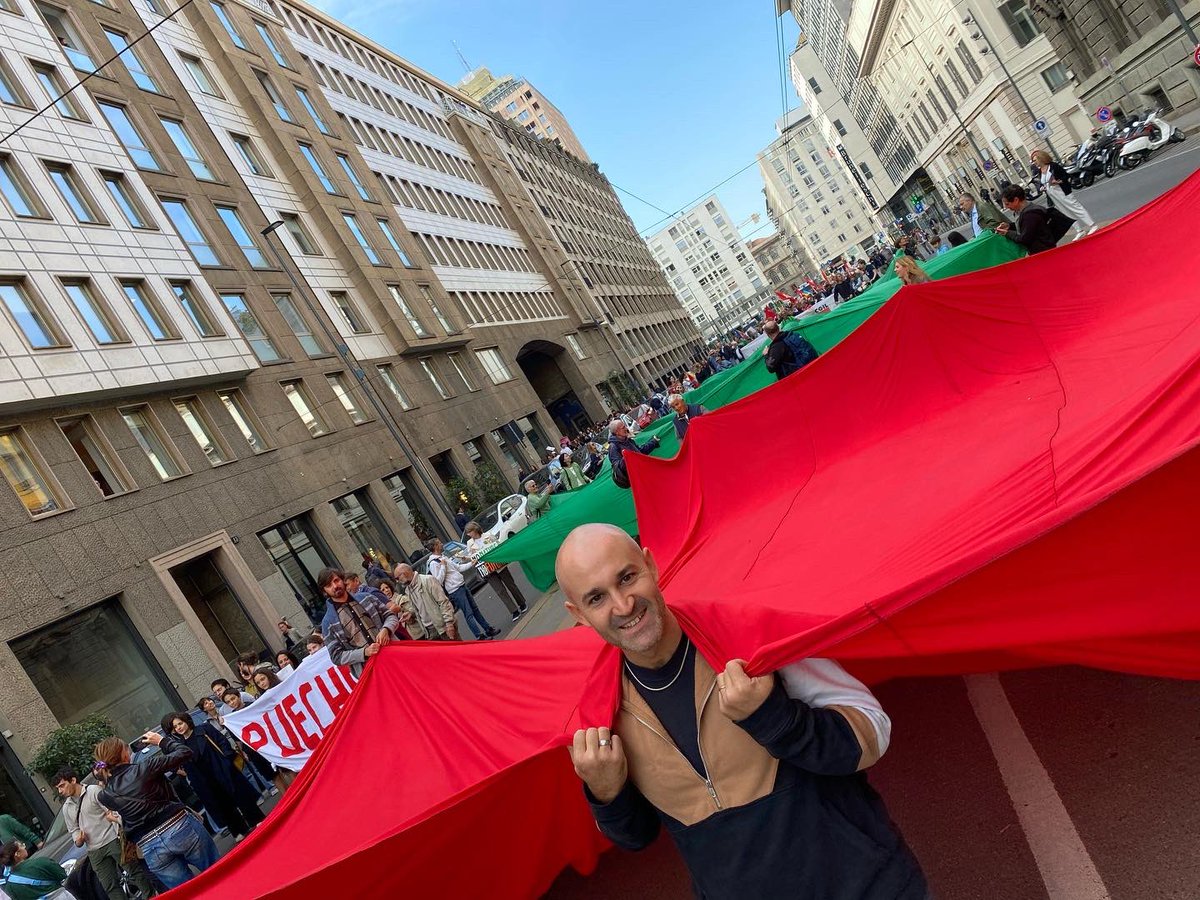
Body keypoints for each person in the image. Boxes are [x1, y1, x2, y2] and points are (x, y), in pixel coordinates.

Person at [554, 524, 928, 899]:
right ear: (579, 614)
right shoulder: (601, 712)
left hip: (870, 886)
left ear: (650, 566)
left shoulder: (745, 635)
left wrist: (773, 717)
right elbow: (637, 837)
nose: (623, 605)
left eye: (627, 577)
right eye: (597, 598)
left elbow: (873, 733)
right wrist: (606, 795)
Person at [94, 733, 218, 890]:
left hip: (149, 845)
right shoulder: (145, 767)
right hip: (178, 826)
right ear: (124, 753)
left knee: (190, 892)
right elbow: (185, 752)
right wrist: (161, 741)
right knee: (218, 872)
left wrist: (105, 778)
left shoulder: (105, 795)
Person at [160, 713, 264, 842]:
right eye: (175, 727)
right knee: (222, 804)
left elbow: (222, 742)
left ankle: (256, 819)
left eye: (180, 723)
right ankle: (238, 830)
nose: (179, 728)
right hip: (204, 780)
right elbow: (174, 762)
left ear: (186, 721)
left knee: (239, 795)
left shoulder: (204, 729)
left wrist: (226, 760)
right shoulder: (180, 744)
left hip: (221, 769)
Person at [55, 767, 155, 900]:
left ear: (73, 780)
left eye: (62, 786)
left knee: (134, 871)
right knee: (109, 885)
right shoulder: (67, 807)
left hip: (112, 839)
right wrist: (78, 840)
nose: (60, 791)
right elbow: (73, 829)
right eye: (58, 788)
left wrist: (116, 823)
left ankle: (151, 897)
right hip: (93, 849)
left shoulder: (94, 791)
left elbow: (113, 810)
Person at [317, 567, 401, 677]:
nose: (335, 586)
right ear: (324, 592)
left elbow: (391, 616)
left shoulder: (367, 598)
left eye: (336, 580)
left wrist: (386, 629)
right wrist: (363, 652)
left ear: (343, 580)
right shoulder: (328, 622)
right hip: (370, 672)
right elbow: (336, 656)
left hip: (394, 654)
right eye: (328, 585)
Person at [427, 539, 499, 641]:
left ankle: (487, 628)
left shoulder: (443, 557)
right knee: (468, 613)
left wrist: (471, 563)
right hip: (455, 590)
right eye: (439, 543)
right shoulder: (434, 563)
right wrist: (443, 566)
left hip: (461, 585)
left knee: (474, 609)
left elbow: (458, 567)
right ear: (435, 546)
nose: (442, 544)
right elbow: (438, 581)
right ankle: (479, 636)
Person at [462, 523, 528, 621]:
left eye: (469, 532)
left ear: (475, 530)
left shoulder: (488, 535)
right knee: (500, 590)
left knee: (510, 584)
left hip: (498, 564)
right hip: (486, 569)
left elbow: (497, 546)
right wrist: (466, 558)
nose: (468, 534)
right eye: (467, 533)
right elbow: (473, 558)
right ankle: (513, 610)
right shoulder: (470, 543)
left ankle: (522, 603)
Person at [1032, 149, 1096, 239]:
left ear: (1041, 158)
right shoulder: (1039, 171)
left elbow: (1066, 176)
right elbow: (1043, 182)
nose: (1034, 163)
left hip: (1062, 191)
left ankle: (1092, 224)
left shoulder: (1053, 166)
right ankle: (1079, 230)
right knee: (1065, 212)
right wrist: (1043, 187)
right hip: (1052, 194)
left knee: (1076, 208)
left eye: (1035, 160)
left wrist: (1058, 181)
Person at [995, 184, 1074, 254]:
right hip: (1044, 248)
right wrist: (1009, 226)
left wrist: (1007, 233)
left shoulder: (1030, 215)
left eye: (1007, 204)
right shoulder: (1028, 210)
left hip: (1043, 252)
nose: (1006, 207)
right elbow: (1027, 228)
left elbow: (1024, 238)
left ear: (1016, 200)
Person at [392, 563, 459, 639]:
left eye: (397, 578)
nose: (398, 581)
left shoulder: (428, 580)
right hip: (429, 632)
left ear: (404, 573)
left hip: (444, 627)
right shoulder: (408, 590)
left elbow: (444, 602)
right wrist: (411, 613)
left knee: (459, 650)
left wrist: (449, 623)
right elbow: (421, 608)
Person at [0, 839, 67, 900]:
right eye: (21, 845)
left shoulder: (9, 886)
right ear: (17, 854)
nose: (24, 847)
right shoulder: (41, 862)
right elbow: (62, 874)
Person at [607, 419, 660, 490]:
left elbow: (640, 452)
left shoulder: (628, 440)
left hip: (644, 473)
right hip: (637, 480)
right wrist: (627, 456)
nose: (626, 428)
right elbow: (618, 467)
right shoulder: (613, 447)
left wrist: (653, 442)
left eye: (625, 426)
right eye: (623, 428)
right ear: (617, 432)